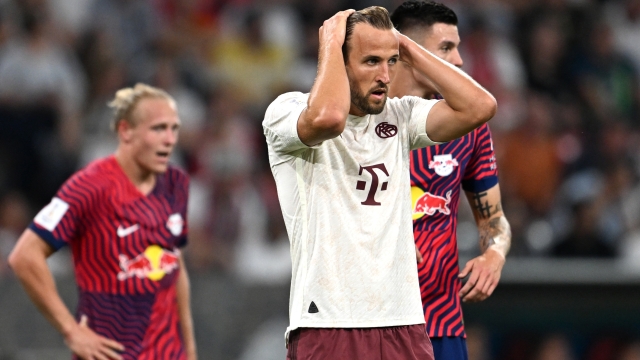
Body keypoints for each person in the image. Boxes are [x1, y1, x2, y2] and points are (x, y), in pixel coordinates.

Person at [262, 6, 496, 359]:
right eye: (371, 61)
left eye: (391, 62)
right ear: (338, 62)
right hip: (329, 322)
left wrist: (404, 44)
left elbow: (480, 107)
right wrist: (330, 42)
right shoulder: (288, 111)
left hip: (404, 322)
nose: (386, 75)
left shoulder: (400, 116)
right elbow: (329, 117)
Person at [8, 84, 197, 360]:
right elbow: (24, 256)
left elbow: (174, 265)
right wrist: (71, 331)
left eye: (174, 129)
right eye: (158, 129)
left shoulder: (175, 184)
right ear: (125, 131)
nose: (169, 139)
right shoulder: (89, 187)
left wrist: (190, 351)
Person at [389, 2, 512, 360]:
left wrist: (493, 254)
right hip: (371, 321)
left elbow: (493, 221)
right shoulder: (360, 122)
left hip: (442, 325)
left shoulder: (469, 130)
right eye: (445, 47)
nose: (458, 60)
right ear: (408, 51)